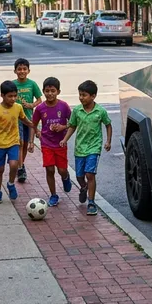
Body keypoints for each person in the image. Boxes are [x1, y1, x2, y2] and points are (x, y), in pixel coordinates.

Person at [60, 80, 111, 216]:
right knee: (79, 176)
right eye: (80, 95)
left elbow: (108, 125)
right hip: (80, 148)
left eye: (84, 95)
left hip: (94, 147)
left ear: (93, 96)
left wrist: (108, 141)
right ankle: (83, 187)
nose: (81, 97)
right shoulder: (77, 110)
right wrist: (65, 139)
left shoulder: (100, 111)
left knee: (90, 174)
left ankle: (91, 202)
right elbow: (72, 126)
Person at [0, 80, 34, 203]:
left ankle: (11, 183)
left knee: (14, 165)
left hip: (13, 142)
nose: (13, 99)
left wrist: (34, 128)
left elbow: (24, 120)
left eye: (15, 96)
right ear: (2, 95)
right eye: (10, 96)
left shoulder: (18, 107)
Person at [29, 77, 73, 207]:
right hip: (46, 143)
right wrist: (32, 140)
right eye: (47, 91)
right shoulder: (40, 108)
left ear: (58, 91)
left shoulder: (63, 106)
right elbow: (33, 124)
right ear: (43, 91)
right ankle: (53, 195)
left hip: (60, 143)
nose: (50, 93)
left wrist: (63, 127)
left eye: (53, 91)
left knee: (61, 170)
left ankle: (66, 177)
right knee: (49, 169)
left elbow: (73, 123)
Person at [13, 58, 42, 183]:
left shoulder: (32, 84)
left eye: (24, 69)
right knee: (19, 143)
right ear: (15, 71)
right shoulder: (13, 84)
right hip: (16, 118)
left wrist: (31, 105)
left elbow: (39, 99)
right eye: (19, 69)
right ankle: (20, 168)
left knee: (25, 144)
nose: (22, 71)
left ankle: (21, 165)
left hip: (29, 119)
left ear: (28, 71)